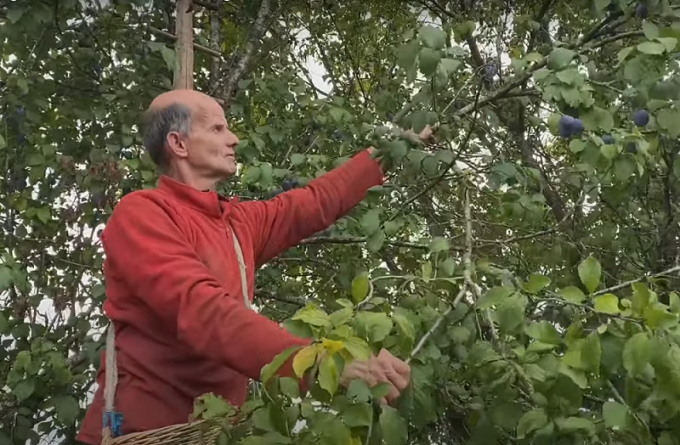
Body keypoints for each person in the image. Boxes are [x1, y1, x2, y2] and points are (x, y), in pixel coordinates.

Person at [77, 89, 420, 444]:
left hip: (217, 433)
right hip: (143, 434)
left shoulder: (236, 222)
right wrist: (322, 363)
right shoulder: (142, 213)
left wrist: (392, 147)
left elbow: (315, 202)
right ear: (178, 144)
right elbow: (204, 311)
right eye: (217, 129)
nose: (234, 139)